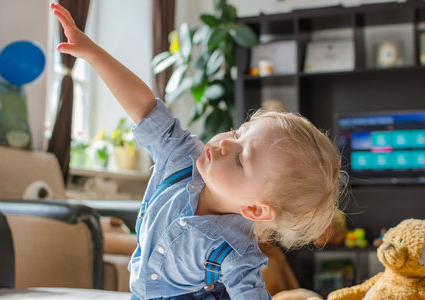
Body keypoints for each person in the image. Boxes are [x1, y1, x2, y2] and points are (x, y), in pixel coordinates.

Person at [50, 3, 345, 299]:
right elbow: (144, 107)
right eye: (237, 132)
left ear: (255, 209)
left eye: (241, 159)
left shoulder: (236, 252)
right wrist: (92, 53)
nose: (224, 143)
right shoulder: (182, 156)